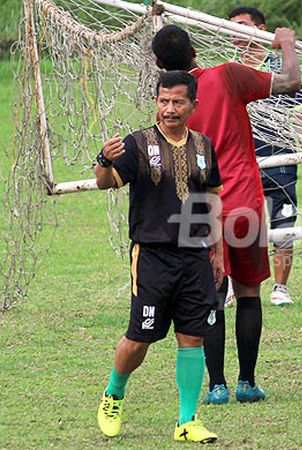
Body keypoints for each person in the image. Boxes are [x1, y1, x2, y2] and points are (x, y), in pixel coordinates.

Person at [151, 21, 302, 404]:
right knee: (249, 291)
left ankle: (216, 386)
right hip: (243, 203)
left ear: (157, 64)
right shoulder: (228, 76)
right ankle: (247, 383)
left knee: (211, 297)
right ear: (195, 53)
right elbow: (289, 82)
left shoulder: (167, 109)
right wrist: (285, 44)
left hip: (198, 210)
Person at [93, 70, 225, 443]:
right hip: (152, 257)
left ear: (193, 106)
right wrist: (104, 159)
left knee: (192, 338)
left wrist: (218, 251)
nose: (169, 109)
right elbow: (105, 183)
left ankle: (187, 421)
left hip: (195, 257)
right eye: (163, 101)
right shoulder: (137, 144)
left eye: (178, 102)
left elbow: (213, 198)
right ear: (156, 102)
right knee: (139, 339)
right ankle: (113, 393)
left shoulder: (204, 146)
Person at [229, 5, 302, 307]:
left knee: (283, 219)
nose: (235, 32)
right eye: (231, 26)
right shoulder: (228, 70)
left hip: (279, 155)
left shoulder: (282, 69)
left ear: (259, 29)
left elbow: (301, 111)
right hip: (240, 160)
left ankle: (280, 287)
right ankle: (234, 284)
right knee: (238, 223)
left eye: (241, 25)